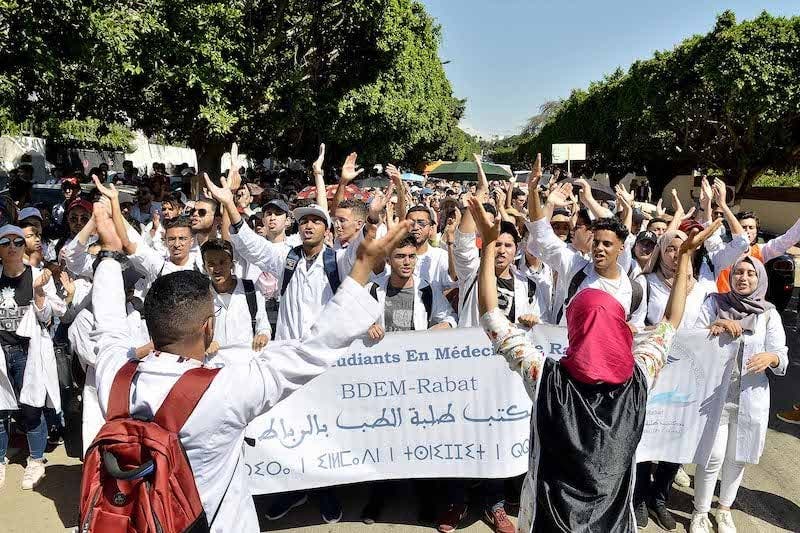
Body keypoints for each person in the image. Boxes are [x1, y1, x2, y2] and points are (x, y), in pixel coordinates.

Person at [88, 198, 411, 533]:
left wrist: (110, 256)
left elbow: (109, 328)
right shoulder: (224, 389)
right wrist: (360, 273)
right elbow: (311, 352)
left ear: (150, 327)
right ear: (208, 327)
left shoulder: (116, 377)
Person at [468, 193, 720, 532]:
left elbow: (491, 317)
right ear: (620, 329)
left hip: (550, 521)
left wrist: (486, 248)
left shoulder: (546, 378)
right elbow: (671, 322)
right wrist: (686, 255)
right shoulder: (639, 378)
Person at [689, 256, 788, 533]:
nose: (743, 278)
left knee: (738, 456)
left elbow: (782, 356)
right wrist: (714, 328)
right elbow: (692, 338)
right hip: (715, 395)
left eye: (750, 274)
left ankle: (724, 510)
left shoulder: (768, 313)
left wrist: (771, 357)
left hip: (751, 396)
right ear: (730, 277)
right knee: (713, 455)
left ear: (760, 280)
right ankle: (700, 512)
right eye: (738, 273)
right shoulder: (714, 303)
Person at [525, 156, 647, 327]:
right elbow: (541, 233)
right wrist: (533, 192)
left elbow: (639, 328)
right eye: (596, 242)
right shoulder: (575, 266)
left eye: (607, 244)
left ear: (621, 248)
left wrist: (589, 201)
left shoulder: (634, 290)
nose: (599, 248)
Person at [0, 225, 66, 490]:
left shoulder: (37, 276)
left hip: (28, 354)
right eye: (6, 242)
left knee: (32, 408)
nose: (13, 247)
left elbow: (48, 317)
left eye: (18, 241)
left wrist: (39, 294)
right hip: (1, 353)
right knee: (0, 410)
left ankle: (36, 460)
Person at [201, 239, 270, 354]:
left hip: (246, 361)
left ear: (232, 264)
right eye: (211, 264)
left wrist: (263, 336)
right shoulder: (201, 296)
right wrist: (205, 343)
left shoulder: (251, 291)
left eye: (222, 262)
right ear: (204, 267)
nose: (217, 269)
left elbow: (263, 326)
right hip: (214, 363)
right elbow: (194, 333)